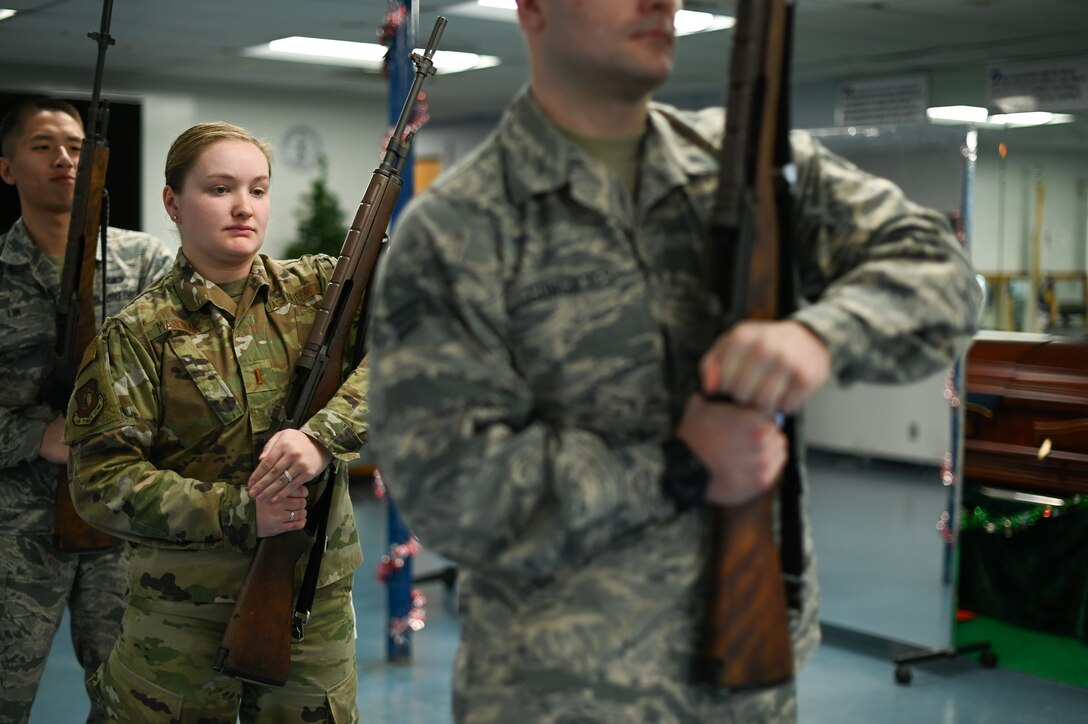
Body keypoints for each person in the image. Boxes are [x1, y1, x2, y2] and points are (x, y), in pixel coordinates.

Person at [367, 0, 982, 721]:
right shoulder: (457, 230)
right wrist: (679, 464)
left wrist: (824, 335)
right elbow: (447, 488)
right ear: (532, 7)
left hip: (748, 689)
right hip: (556, 697)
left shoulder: (751, 169)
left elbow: (944, 276)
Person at [64, 122, 367, 722]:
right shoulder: (138, 334)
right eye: (220, 188)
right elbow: (99, 482)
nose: (242, 207)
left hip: (314, 601)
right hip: (181, 615)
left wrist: (324, 437)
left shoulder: (321, 292)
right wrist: (237, 511)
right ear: (173, 203)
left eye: (258, 189)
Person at [0, 97, 174, 724]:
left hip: (122, 517)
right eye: (43, 145)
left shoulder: (146, 262)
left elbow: (182, 374)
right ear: (8, 168)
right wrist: (33, 435)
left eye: (74, 146)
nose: (64, 159)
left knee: (132, 697)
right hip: (15, 525)